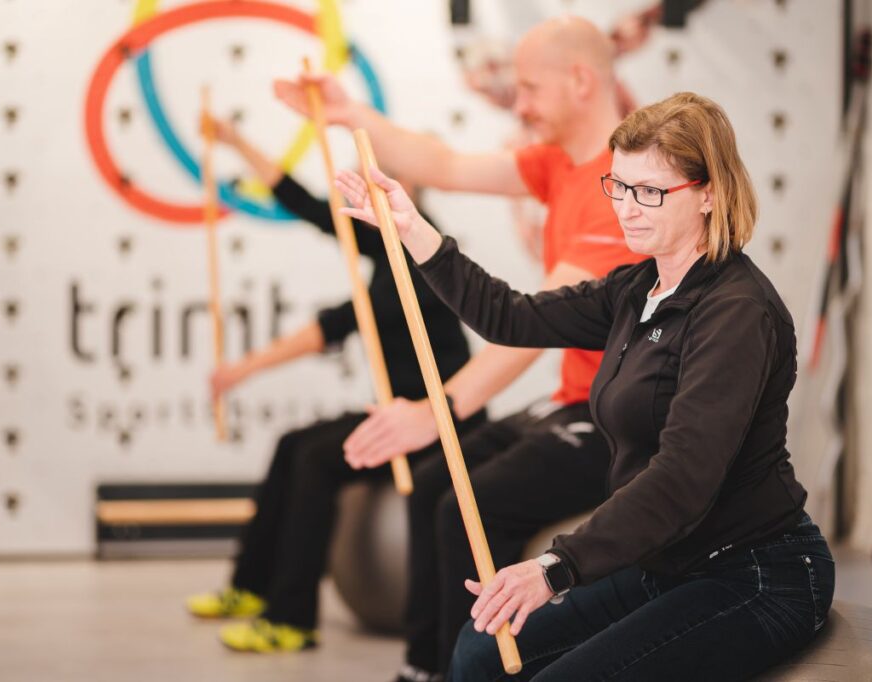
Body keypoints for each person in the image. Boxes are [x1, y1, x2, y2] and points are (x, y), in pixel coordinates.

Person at [335, 91, 835, 681]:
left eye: (650, 192)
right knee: (479, 653)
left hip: (752, 573)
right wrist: (413, 230)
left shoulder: (736, 313)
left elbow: (682, 480)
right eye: (618, 186)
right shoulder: (639, 288)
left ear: (709, 193)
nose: (627, 208)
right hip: (665, 560)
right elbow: (512, 316)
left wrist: (554, 567)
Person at [276, 17, 648, 681]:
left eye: (530, 88)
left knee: (468, 505)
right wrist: (347, 112)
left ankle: (486, 669)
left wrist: (435, 410)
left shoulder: (617, 191)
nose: (520, 104)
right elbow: (440, 165)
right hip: (573, 402)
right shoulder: (557, 162)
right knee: (429, 489)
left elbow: (531, 326)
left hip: (623, 422)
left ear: (583, 81)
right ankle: (429, 666)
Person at [184, 118, 483, 653]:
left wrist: (242, 370)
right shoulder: (385, 239)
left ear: (410, 189)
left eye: (387, 182)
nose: (373, 192)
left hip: (443, 424)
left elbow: (335, 325)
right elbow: (307, 206)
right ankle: (250, 589)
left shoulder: (418, 254)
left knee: (316, 458)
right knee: (293, 444)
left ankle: (292, 619)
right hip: (401, 412)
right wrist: (236, 141)